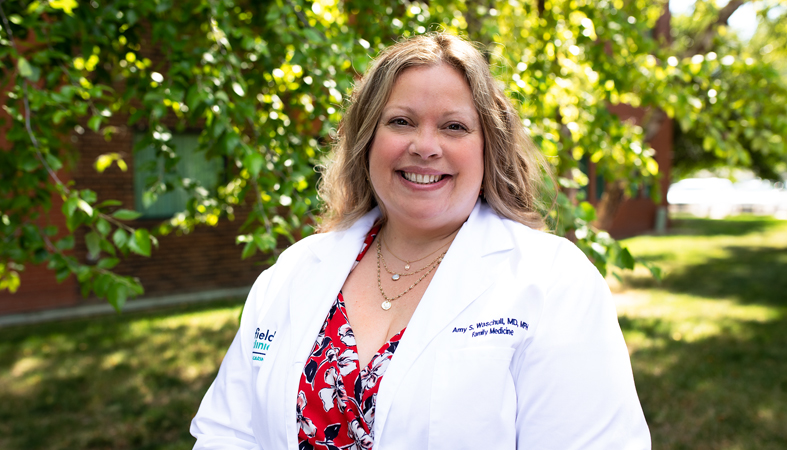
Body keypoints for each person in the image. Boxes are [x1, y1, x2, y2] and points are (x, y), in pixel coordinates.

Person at [190, 32, 651, 449]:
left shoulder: (553, 282)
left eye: (454, 127)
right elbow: (228, 433)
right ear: (367, 139)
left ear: (489, 146)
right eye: (401, 122)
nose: (425, 146)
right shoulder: (293, 272)